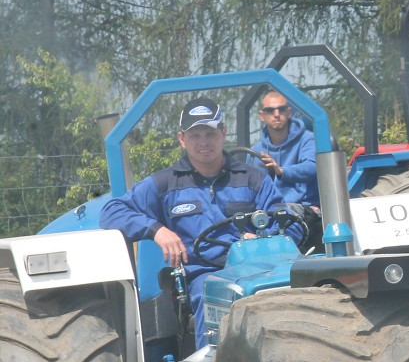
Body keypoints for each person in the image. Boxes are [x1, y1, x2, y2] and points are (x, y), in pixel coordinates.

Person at [100, 96, 299, 349]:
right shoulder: (165, 183)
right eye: (195, 135)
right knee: (214, 296)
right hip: (204, 274)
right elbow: (111, 212)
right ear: (182, 139)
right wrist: (158, 231)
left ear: (223, 133)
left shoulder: (253, 178)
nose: (203, 142)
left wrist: (263, 240)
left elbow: (286, 221)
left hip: (257, 272)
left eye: (210, 133)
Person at [253, 89, 319, 206]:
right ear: (262, 116)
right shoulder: (255, 151)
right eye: (270, 110)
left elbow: (312, 166)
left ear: (289, 113)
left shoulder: (307, 139)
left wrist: (281, 171)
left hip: (304, 208)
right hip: (268, 211)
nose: (277, 114)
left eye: (281, 109)